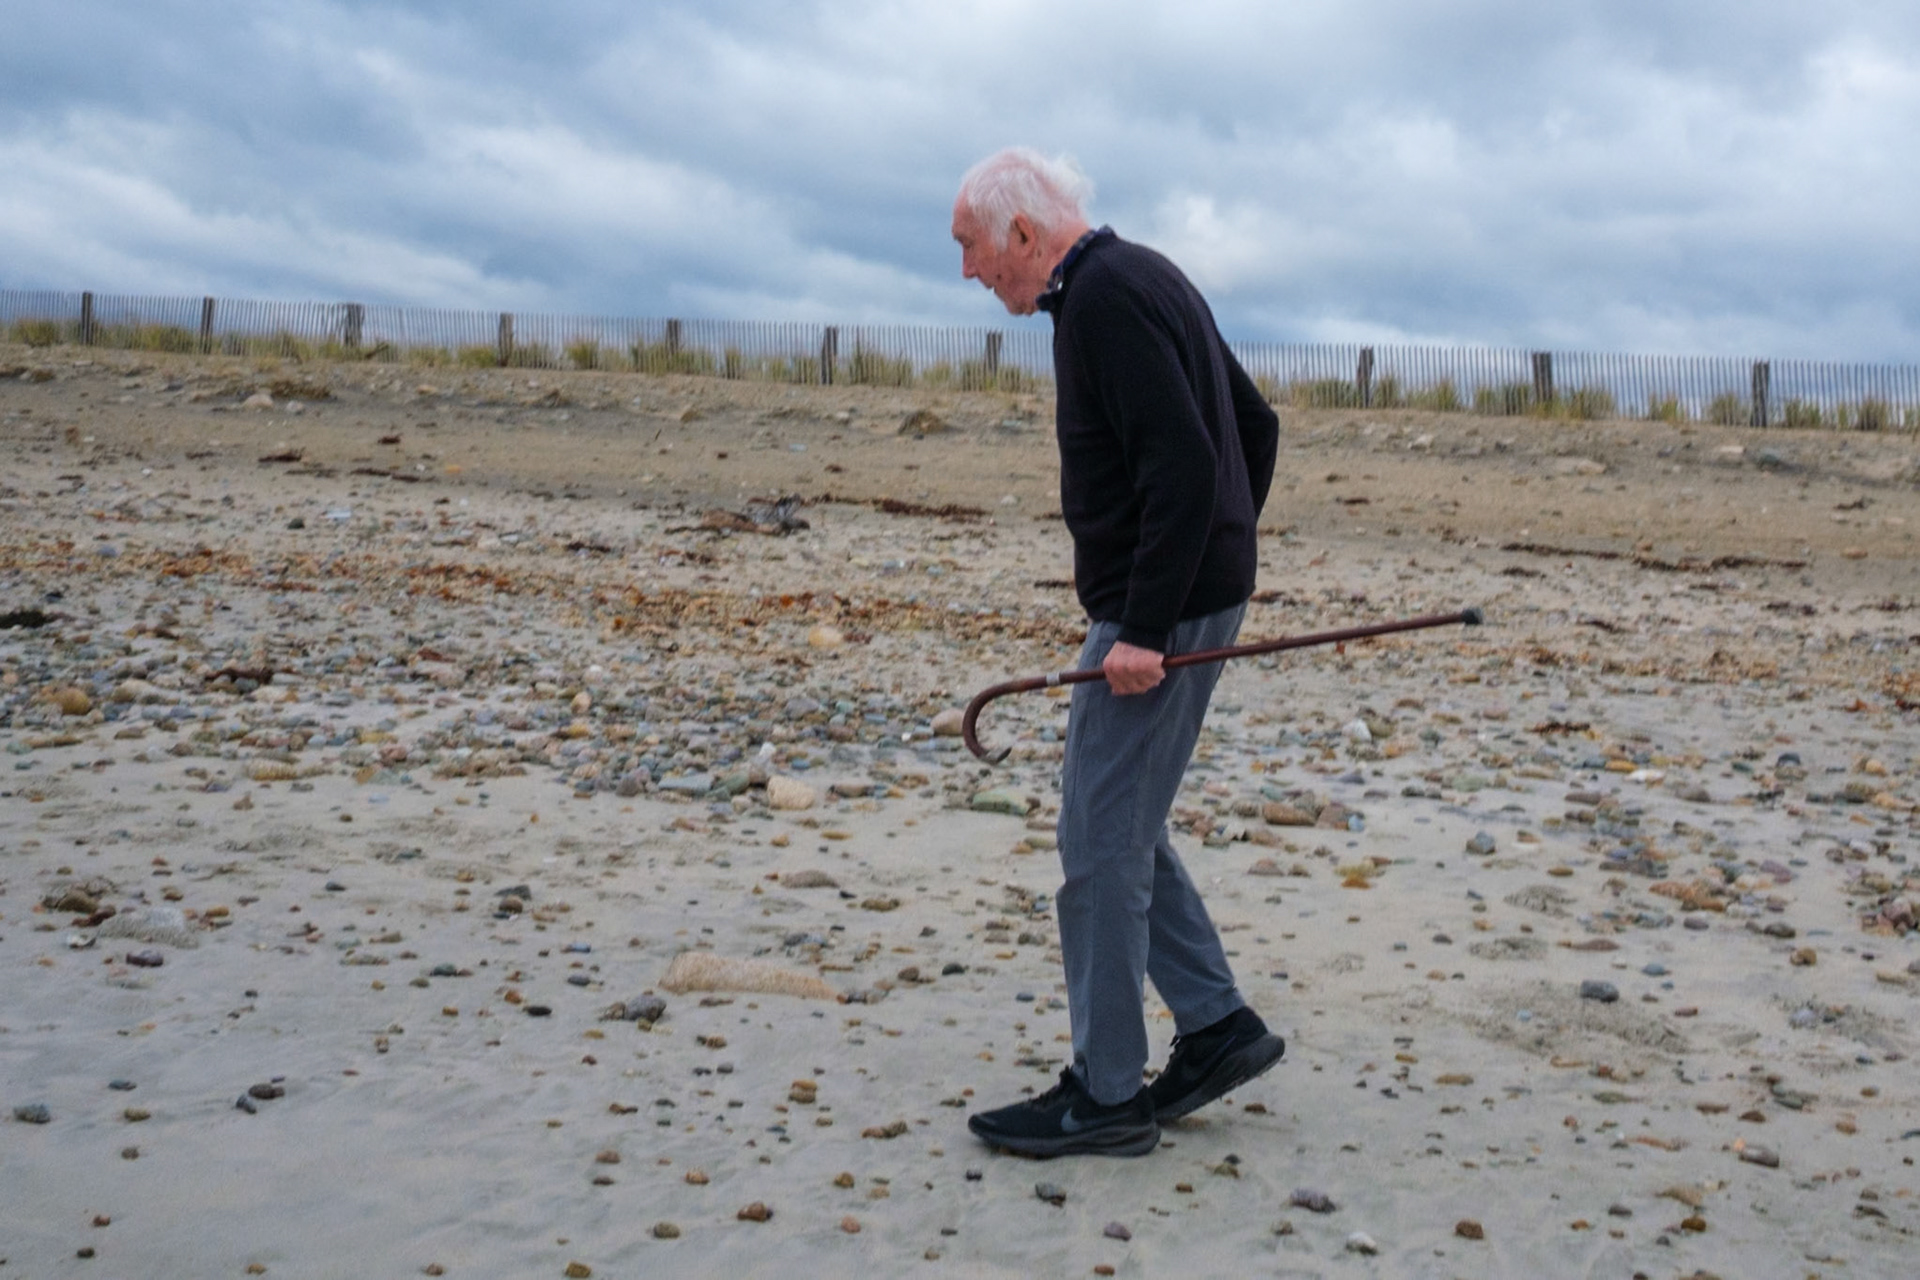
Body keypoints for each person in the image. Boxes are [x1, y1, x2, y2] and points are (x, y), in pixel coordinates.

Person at [951, 147, 1287, 1158]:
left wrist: (1149, 620)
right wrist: (1222, 554)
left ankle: (1105, 1094)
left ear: (1021, 232)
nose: (968, 271)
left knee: (1099, 836)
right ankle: (1217, 1025)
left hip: (1162, 613)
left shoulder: (1103, 298)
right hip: (1187, 596)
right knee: (1118, 819)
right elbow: (1255, 428)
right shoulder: (1143, 275)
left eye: (971, 247)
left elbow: (1189, 459)